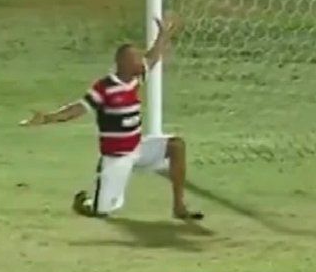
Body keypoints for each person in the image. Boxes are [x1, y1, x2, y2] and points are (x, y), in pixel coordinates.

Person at [20, 16, 202, 221]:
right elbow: (77, 109)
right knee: (102, 212)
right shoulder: (104, 88)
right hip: (117, 158)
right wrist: (47, 118)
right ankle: (86, 202)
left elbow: (152, 58)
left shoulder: (135, 79)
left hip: (138, 148)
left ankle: (179, 207)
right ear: (123, 63)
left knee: (176, 146)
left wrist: (163, 35)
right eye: (135, 58)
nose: (140, 61)